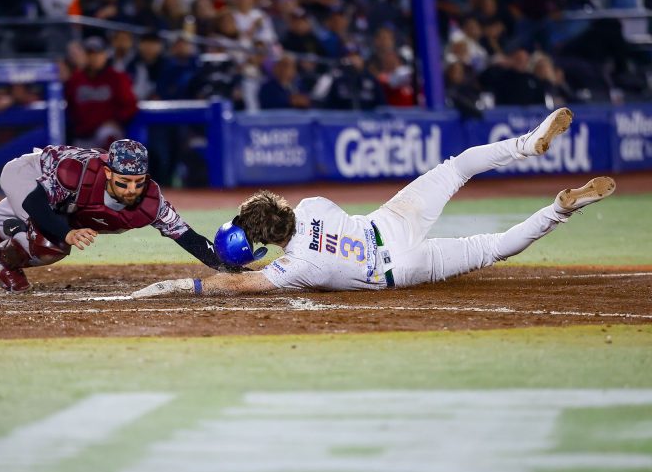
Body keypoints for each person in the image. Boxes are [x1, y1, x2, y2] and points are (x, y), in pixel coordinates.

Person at [131, 108, 617, 298]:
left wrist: (181, 283)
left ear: (261, 242)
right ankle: (525, 146)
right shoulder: (314, 204)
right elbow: (288, 227)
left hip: (397, 269)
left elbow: (235, 286)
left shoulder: (293, 268)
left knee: (493, 247)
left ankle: (560, 208)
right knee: (456, 168)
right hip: (392, 221)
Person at [0, 139, 237, 292]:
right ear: (109, 173)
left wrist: (228, 268)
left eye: (138, 183)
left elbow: (187, 237)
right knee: (49, 240)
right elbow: (36, 204)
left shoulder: (152, 202)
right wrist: (64, 234)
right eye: (124, 182)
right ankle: (6, 256)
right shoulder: (76, 173)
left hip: (59, 206)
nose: (132, 191)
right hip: (29, 178)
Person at [64, 35, 138, 148]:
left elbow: (130, 104)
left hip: (107, 130)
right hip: (82, 134)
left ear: (104, 55)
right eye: (90, 54)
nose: (93, 58)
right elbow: (70, 106)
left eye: (97, 54)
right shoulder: (76, 79)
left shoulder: (117, 77)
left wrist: (117, 120)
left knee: (108, 136)